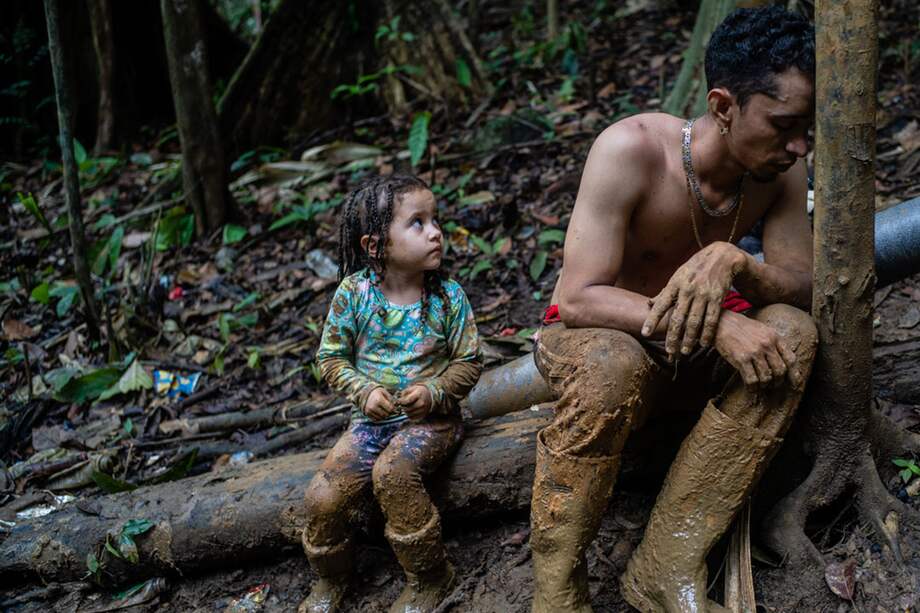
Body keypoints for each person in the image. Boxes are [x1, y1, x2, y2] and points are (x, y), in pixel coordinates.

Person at [529, 7, 818, 612]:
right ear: (722, 106)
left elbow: (798, 283)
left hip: (692, 357)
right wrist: (717, 323)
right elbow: (576, 297)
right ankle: (556, 592)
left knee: (792, 334)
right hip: (603, 334)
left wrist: (736, 262)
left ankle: (668, 563)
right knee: (613, 364)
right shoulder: (630, 149)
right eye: (784, 125)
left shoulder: (781, 171)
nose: (799, 145)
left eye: (807, 127)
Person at [299, 174, 483, 613]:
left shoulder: (448, 298)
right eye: (417, 223)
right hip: (370, 424)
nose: (436, 231)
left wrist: (435, 391)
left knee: (394, 475)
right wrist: (363, 392)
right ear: (376, 246)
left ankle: (430, 577)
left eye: (434, 219)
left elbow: (470, 362)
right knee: (321, 497)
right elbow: (331, 359)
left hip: (432, 422)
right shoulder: (354, 295)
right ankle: (330, 579)